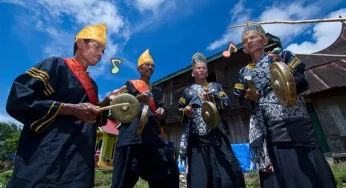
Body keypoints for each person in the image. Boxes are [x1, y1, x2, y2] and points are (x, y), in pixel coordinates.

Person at [5, 23, 126, 188]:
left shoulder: (92, 85)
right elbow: (19, 98)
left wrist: (106, 101)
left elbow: (95, 119)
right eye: (97, 46)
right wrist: (70, 109)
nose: (101, 53)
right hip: (47, 153)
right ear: (80, 42)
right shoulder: (56, 64)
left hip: (79, 163)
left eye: (103, 50)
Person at [234, 21, 337, 188]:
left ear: (265, 41)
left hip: (296, 122)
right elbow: (241, 99)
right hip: (269, 128)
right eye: (246, 40)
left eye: (253, 37)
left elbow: (302, 82)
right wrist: (249, 98)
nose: (249, 41)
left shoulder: (283, 56)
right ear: (244, 48)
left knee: (312, 171)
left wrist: (280, 68)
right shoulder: (244, 72)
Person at [111, 49, 180, 188]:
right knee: (123, 179)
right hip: (132, 135)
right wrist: (138, 99)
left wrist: (162, 111)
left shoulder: (157, 91)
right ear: (139, 68)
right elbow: (120, 105)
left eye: (152, 65)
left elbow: (161, 109)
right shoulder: (130, 84)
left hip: (153, 136)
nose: (150, 67)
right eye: (147, 64)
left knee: (168, 172)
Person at [177, 52, 246, 188]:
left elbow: (226, 105)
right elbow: (179, 110)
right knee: (200, 179)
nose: (201, 70)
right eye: (198, 68)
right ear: (193, 73)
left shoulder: (216, 87)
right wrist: (186, 111)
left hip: (217, 137)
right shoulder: (187, 92)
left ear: (207, 72)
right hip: (197, 139)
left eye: (204, 68)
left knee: (228, 174)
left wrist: (213, 98)